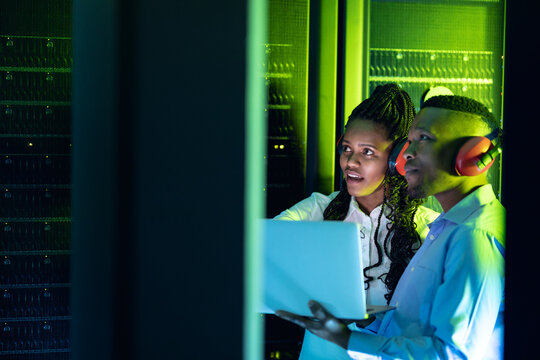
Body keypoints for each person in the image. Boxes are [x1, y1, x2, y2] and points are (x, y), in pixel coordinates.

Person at [276, 95, 505, 359]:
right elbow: (411, 330)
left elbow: (451, 353)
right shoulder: (446, 230)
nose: (407, 154)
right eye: (410, 141)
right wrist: (358, 325)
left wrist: (347, 338)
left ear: (471, 156)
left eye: (424, 139)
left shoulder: (475, 235)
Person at [274, 83, 439, 360]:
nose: (350, 161)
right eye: (346, 149)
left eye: (367, 152)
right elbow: (265, 244)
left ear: (398, 159)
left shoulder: (429, 229)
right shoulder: (320, 209)